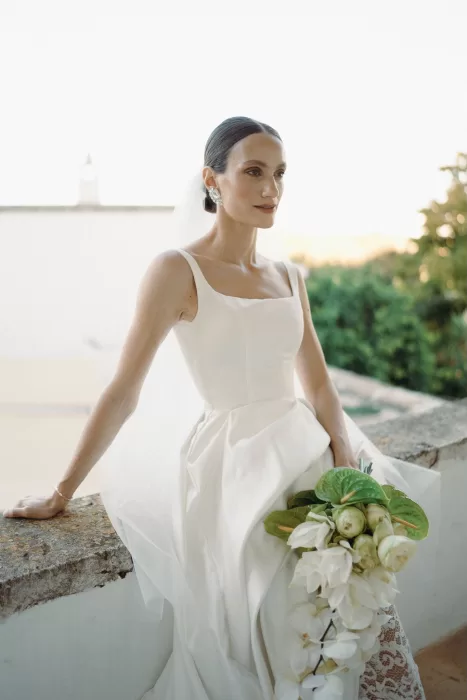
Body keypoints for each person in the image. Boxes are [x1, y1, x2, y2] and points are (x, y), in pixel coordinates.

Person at [3, 116, 437, 700]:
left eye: (279, 174)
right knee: (272, 628)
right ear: (213, 180)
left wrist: (346, 474)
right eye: (253, 172)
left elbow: (321, 388)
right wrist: (61, 491)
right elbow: (124, 390)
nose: (270, 189)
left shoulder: (289, 276)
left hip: (310, 463)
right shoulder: (176, 270)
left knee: (343, 613)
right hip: (235, 471)